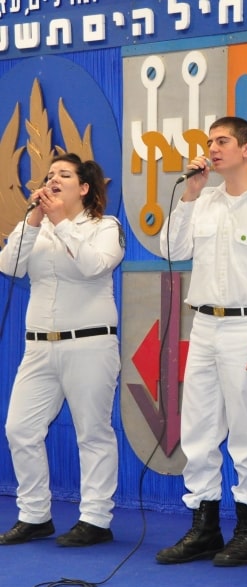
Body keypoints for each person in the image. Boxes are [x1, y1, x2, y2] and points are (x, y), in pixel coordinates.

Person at [156, 116, 247, 567]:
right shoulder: (205, 202)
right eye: (209, 142)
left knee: (245, 432)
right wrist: (190, 194)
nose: (213, 149)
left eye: (222, 141)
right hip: (204, 326)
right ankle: (204, 526)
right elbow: (171, 249)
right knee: (198, 429)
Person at [0, 153, 124, 547]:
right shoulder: (37, 227)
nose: (53, 179)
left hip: (89, 343)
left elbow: (93, 266)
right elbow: (9, 265)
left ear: (84, 188)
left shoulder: (105, 226)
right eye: (50, 174)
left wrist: (61, 223)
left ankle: (96, 519)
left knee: (93, 433)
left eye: (64, 175)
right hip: (39, 347)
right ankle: (35, 514)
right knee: (19, 428)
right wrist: (35, 221)